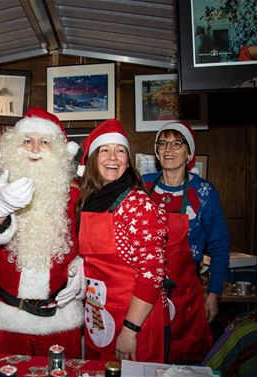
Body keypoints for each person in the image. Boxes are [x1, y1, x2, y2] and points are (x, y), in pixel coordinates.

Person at [0, 106, 84, 357]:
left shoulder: (74, 191)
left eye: (44, 141)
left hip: (58, 322)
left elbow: (88, 243)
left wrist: (83, 266)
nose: (33, 148)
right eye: (27, 140)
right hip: (1, 320)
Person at [76, 118, 169, 362]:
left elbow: (152, 273)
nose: (113, 158)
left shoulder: (138, 204)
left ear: (128, 162)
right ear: (93, 159)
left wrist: (130, 329)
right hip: (99, 314)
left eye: (120, 151)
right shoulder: (89, 201)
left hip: (135, 319)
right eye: (104, 151)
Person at [142, 122, 230, 358]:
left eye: (177, 144)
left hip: (186, 291)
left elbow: (220, 248)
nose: (168, 149)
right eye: (163, 143)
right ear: (157, 152)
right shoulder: (142, 186)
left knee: (184, 356)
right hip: (145, 290)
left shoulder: (204, 193)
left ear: (189, 153)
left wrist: (213, 294)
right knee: (147, 355)